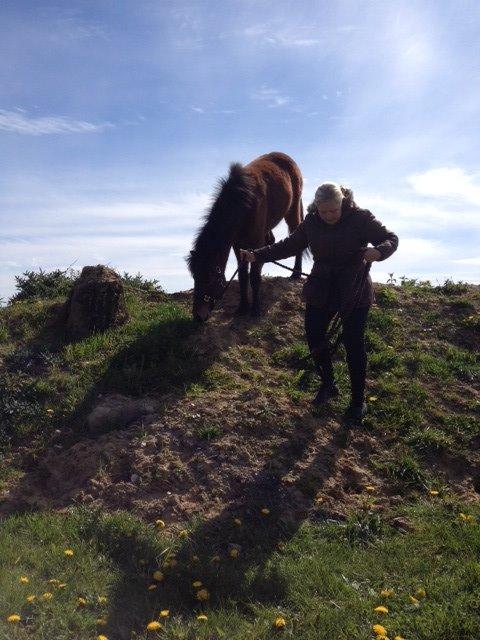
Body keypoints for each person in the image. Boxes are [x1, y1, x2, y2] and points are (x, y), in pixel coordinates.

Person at [239, 183, 398, 424]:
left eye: (333, 211)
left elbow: (391, 238)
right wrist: (257, 255)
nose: (328, 216)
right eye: (323, 212)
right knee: (314, 334)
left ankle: (358, 401)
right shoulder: (312, 222)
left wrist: (379, 251)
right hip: (321, 285)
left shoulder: (361, 218)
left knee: (354, 343)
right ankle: (328, 383)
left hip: (353, 286)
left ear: (342, 203)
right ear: (317, 208)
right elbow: (289, 245)